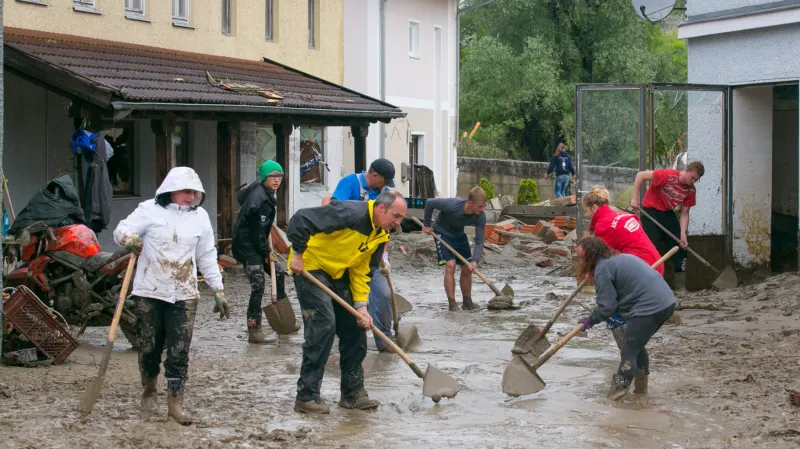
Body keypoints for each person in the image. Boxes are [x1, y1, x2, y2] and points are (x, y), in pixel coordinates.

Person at [114, 167, 229, 425]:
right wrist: (129, 239)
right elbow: (122, 229)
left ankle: (175, 403)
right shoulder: (149, 210)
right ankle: (149, 389)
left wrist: (218, 289)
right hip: (149, 291)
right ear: (171, 190)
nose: (191, 197)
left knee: (179, 351)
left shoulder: (200, 217)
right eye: (186, 192)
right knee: (149, 346)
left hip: (184, 293)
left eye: (195, 193)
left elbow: (206, 255)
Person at [288, 190, 408, 414]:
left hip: (339, 272)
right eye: (396, 216)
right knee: (323, 325)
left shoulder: (380, 234)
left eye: (401, 218)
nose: (398, 223)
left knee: (356, 326)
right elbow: (301, 219)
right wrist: (297, 253)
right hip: (311, 266)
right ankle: (307, 395)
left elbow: (362, 271)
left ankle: (352, 394)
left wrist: (361, 306)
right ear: (381, 208)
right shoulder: (350, 213)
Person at [575, 237, 676, 401]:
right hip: (667, 303)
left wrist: (589, 321)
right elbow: (617, 301)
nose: (580, 261)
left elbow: (606, 307)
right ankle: (641, 393)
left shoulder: (602, 269)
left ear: (592, 256)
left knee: (628, 352)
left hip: (649, 307)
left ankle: (615, 399)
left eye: (582, 257)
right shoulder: (619, 258)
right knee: (637, 346)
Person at [322, 158, 396, 352]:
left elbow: (385, 227)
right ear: (374, 175)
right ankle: (341, 341)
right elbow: (334, 212)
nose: (386, 186)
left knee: (384, 294)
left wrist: (384, 256)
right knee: (345, 299)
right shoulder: (350, 183)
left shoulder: (384, 194)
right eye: (384, 181)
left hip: (371, 253)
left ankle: (385, 340)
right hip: (345, 253)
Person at [232, 160, 296, 344]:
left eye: (279, 176)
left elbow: (241, 196)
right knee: (258, 285)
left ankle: (286, 319)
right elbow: (256, 231)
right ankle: (254, 329)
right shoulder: (260, 201)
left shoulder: (262, 190)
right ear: (264, 178)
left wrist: (266, 250)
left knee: (279, 273)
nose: (276, 180)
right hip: (246, 245)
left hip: (256, 242)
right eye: (272, 176)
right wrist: (267, 251)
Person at [630, 161, 705, 290]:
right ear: (686, 170)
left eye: (696, 180)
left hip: (667, 212)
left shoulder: (690, 191)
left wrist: (683, 234)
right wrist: (635, 199)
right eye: (692, 177)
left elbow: (685, 213)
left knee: (680, 245)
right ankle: (646, 283)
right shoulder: (667, 175)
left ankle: (680, 286)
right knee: (651, 244)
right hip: (650, 210)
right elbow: (640, 175)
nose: (692, 182)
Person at [422, 187, 487, 311]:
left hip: (458, 235)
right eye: (480, 206)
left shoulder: (480, 216)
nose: (482, 209)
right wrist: (426, 224)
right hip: (442, 232)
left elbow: (479, 241)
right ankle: (452, 304)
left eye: (484, 206)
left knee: (467, 268)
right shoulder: (452, 205)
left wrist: (475, 260)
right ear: (470, 203)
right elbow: (429, 202)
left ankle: (467, 302)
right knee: (450, 265)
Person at [583, 186, 664, 277]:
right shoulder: (622, 215)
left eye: (586, 211)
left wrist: (590, 275)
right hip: (656, 264)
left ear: (594, 207)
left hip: (642, 270)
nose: (586, 215)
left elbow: (601, 259)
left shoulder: (603, 226)